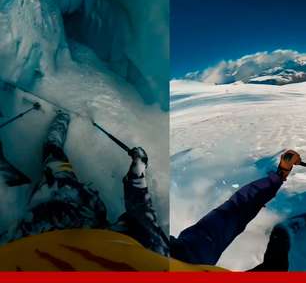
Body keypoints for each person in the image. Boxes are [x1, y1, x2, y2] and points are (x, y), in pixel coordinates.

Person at [2, 110, 169, 257]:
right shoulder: (152, 256)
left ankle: (61, 119)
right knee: (52, 158)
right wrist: (137, 177)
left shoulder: (153, 257)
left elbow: (143, 217)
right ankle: (61, 121)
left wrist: (137, 177)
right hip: (70, 200)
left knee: (51, 156)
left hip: (56, 199)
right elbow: (142, 217)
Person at [170, 149, 302, 271]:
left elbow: (233, 211)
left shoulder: (185, 254)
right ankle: (283, 233)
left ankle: (283, 232)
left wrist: (279, 175)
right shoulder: (186, 256)